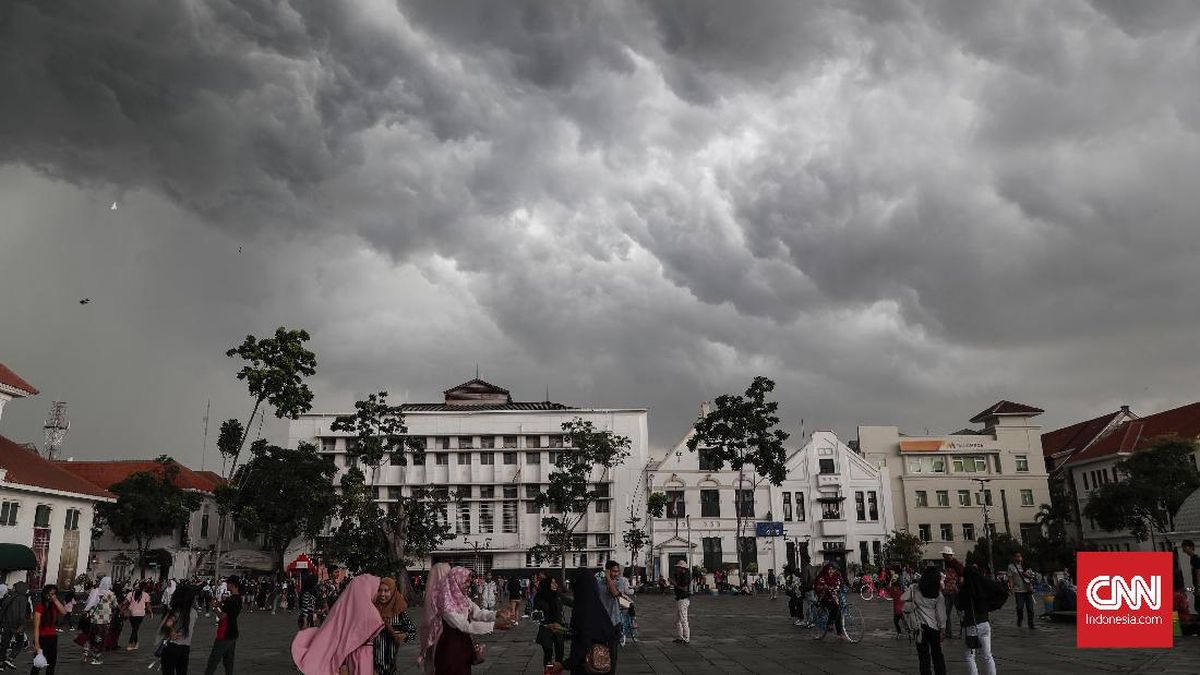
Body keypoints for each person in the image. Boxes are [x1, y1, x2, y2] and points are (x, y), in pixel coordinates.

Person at [418, 564, 509, 675]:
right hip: (450, 648)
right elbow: (464, 625)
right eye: (465, 581)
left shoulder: (462, 598)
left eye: (468, 582)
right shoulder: (446, 603)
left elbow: (477, 612)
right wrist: (493, 626)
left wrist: (497, 613)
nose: (468, 584)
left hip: (463, 645)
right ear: (455, 581)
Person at [292, 574, 384, 675]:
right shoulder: (371, 614)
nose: (380, 594)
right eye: (377, 590)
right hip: (365, 659)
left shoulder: (343, 606)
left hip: (347, 660)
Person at [565, 567, 616, 673]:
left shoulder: (582, 608)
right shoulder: (597, 605)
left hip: (587, 666)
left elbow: (584, 641)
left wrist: (564, 664)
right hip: (601, 664)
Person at [904, 566, 948, 675]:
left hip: (919, 627)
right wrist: (943, 630)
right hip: (934, 628)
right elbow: (941, 615)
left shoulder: (914, 589)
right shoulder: (938, 595)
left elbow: (904, 601)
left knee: (923, 656)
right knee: (937, 654)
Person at [372, 577, 415, 675]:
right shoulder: (372, 611)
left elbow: (413, 632)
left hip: (391, 666)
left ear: (393, 592)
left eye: (386, 591)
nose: (382, 594)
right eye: (379, 590)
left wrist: (404, 635)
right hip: (372, 667)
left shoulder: (400, 612)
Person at [959, 565, 996, 675]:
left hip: (972, 625)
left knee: (970, 656)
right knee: (987, 655)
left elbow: (960, 606)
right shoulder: (983, 588)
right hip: (985, 623)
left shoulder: (965, 590)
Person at [204, 575, 242, 675]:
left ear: (232, 585)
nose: (227, 585)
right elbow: (229, 610)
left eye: (228, 583)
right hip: (233, 632)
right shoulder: (238, 599)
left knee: (213, 660)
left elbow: (222, 616)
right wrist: (220, 605)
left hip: (224, 633)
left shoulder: (230, 600)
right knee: (229, 661)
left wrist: (214, 608)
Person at [598, 560, 632, 669]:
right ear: (607, 571)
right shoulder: (599, 584)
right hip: (601, 623)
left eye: (617, 571)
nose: (616, 574)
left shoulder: (619, 582)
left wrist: (608, 578)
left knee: (613, 653)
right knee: (601, 652)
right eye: (613, 571)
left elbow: (614, 593)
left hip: (614, 622)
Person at [160, 584, 199, 675]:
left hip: (172, 646)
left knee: (168, 671)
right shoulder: (194, 612)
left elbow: (168, 623)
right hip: (185, 647)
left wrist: (172, 631)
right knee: (182, 671)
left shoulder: (177, 611)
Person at [533, 576, 570, 672]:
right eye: (552, 583)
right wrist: (545, 624)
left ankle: (557, 672)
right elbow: (535, 617)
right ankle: (548, 672)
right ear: (546, 585)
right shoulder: (539, 598)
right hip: (546, 629)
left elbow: (571, 602)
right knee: (548, 654)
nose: (556, 585)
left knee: (560, 654)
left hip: (558, 629)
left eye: (556, 583)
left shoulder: (558, 595)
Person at [31, 584, 66, 675]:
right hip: (42, 638)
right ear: (45, 594)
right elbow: (36, 627)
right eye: (50, 594)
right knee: (38, 664)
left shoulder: (54, 606)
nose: (51, 596)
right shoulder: (40, 607)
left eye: (53, 594)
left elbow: (63, 611)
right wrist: (37, 644)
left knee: (52, 663)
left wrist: (56, 600)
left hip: (52, 637)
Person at [83, 576, 116, 665]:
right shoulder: (111, 594)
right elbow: (114, 605)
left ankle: (85, 652)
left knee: (91, 635)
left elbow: (90, 603)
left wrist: (86, 610)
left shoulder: (96, 591)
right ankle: (96, 657)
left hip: (94, 618)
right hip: (105, 620)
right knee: (100, 638)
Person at [0, 582, 29, 669]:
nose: (12, 589)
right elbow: (21, 613)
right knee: (20, 642)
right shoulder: (22, 598)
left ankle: (1, 663)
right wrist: (22, 625)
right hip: (16, 625)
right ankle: (10, 658)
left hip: (6, 625)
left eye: (13, 587)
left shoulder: (9, 598)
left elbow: (2, 611)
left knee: (4, 645)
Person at [1007, 552, 1036, 630]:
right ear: (1014, 558)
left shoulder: (1026, 565)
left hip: (1028, 589)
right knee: (1019, 607)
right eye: (1016, 556)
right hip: (1018, 590)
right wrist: (1011, 588)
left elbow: (1032, 577)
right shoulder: (1011, 567)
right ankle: (1020, 618)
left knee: (1030, 608)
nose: (1018, 558)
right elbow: (1010, 578)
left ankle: (1031, 624)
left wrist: (1029, 577)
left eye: (1020, 556)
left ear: (1022, 558)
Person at [940, 547, 963, 638]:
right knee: (946, 612)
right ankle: (948, 632)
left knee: (959, 612)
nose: (943, 556)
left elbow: (961, 578)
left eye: (944, 555)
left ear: (948, 555)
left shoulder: (956, 564)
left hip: (954, 591)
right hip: (947, 591)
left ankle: (963, 631)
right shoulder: (947, 563)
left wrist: (957, 587)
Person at [126, 581, 154, 651]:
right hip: (140, 614)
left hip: (131, 613)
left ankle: (135, 643)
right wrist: (151, 612)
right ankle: (132, 643)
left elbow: (126, 602)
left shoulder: (131, 593)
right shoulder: (146, 595)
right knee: (135, 629)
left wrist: (122, 609)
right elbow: (148, 605)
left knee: (134, 629)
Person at [672, 560, 692, 644]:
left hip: (683, 599)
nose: (676, 569)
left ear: (681, 568)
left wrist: (674, 583)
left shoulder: (685, 576)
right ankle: (680, 637)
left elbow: (684, 588)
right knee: (678, 620)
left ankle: (686, 638)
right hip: (680, 598)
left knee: (683, 619)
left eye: (678, 567)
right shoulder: (681, 575)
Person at [1182, 540, 1199, 616]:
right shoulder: (1192, 559)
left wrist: (1197, 588)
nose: (1184, 550)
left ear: (1191, 547)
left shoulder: (1196, 559)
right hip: (1196, 586)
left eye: (1185, 547)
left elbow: (1198, 573)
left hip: (1198, 587)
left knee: (1198, 607)